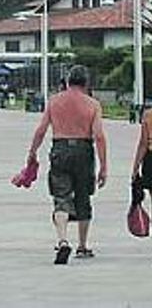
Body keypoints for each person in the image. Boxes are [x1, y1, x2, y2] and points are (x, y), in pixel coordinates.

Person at [26, 65, 107, 265]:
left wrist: (32, 153)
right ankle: (82, 245)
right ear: (86, 83)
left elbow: (41, 130)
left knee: (61, 197)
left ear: (67, 81)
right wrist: (104, 165)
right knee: (83, 197)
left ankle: (62, 240)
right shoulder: (93, 104)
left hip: (60, 148)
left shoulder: (54, 101)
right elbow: (98, 136)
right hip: (84, 150)